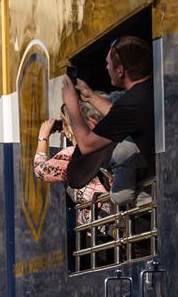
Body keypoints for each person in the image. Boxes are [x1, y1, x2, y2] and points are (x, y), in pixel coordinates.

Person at [60, 36, 154, 204]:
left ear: (120, 70)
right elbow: (120, 117)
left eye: (108, 63)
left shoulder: (130, 104)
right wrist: (91, 96)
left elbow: (87, 145)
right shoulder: (148, 91)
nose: (106, 67)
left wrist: (72, 105)